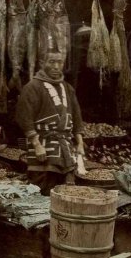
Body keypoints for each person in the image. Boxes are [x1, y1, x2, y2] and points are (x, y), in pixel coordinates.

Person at [16, 50, 85, 196]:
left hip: (65, 147)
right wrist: (37, 145)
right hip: (43, 148)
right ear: (42, 63)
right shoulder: (32, 87)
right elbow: (25, 117)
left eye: (59, 62)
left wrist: (79, 143)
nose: (56, 66)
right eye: (51, 62)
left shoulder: (67, 88)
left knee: (64, 193)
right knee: (42, 192)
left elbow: (77, 117)